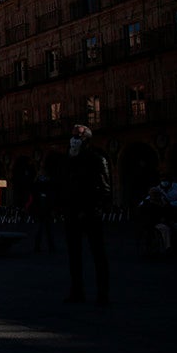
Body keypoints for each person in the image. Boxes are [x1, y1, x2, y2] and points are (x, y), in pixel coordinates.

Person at [58, 124, 112, 306]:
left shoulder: (97, 158)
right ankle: (77, 292)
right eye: (72, 136)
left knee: (98, 254)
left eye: (77, 136)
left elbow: (105, 189)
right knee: (74, 255)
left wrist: (94, 208)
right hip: (71, 213)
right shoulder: (68, 159)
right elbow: (63, 185)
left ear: (86, 139)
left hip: (90, 213)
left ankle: (103, 294)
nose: (73, 139)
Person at [28, 171, 56, 254]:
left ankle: (40, 246)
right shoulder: (45, 187)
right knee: (45, 230)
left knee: (42, 230)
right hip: (43, 211)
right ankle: (48, 246)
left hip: (42, 211)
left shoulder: (37, 186)